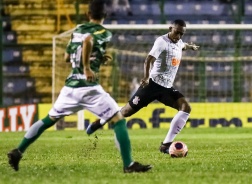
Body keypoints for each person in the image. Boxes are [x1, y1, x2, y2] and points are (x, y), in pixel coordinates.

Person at [7, 0, 152, 173]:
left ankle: (18, 151)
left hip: (70, 87)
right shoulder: (104, 32)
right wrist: (87, 67)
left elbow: (67, 58)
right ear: (104, 16)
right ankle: (128, 165)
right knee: (117, 119)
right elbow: (88, 42)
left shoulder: (78, 30)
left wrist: (98, 57)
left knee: (48, 120)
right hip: (88, 87)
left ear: (87, 14)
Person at [86, 19, 200, 154]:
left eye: (181, 34)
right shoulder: (161, 42)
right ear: (170, 28)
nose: (179, 36)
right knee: (125, 113)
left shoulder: (179, 42)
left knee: (186, 107)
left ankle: (166, 144)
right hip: (151, 85)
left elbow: (182, 45)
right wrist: (146, 77)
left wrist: (190, 46)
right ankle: (101, 121)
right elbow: (148, 60)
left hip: (166, 88)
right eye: (177, 33)